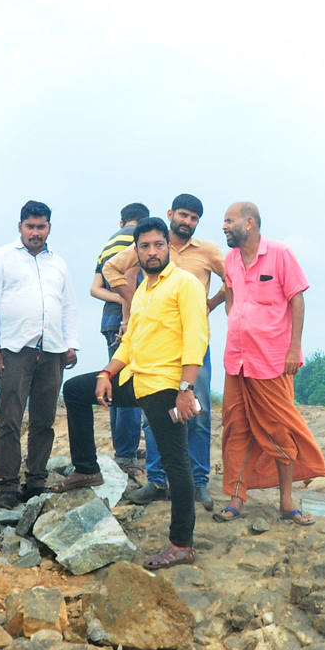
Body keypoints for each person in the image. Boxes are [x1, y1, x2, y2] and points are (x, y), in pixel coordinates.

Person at [59, 218, 206, 568]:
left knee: (176, 464)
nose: (152, 252)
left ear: (168, 247)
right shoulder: (142, 290)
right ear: (136, 250)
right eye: (144, 246)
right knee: (76, 390)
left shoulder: (185, 285)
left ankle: (181, 544)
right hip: (134, 379)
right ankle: (87, 468)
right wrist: (108, 373)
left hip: (166, 386)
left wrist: (186, 389)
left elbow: (196, 339)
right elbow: (129, 342)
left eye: (158, 245)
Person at [104, 193, 226, 508]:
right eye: (183, 215)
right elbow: (111, 269)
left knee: (196, 413)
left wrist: (210, 304)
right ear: (171, 213)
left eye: (194, 218)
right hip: (152, 347)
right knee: (153, 414)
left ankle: (199, 482)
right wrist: (134, 300)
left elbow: (235, 278)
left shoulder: (208, 252)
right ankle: (157, 480)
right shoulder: (152, 245)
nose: (187, 222)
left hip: (192, 346)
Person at [217, 202, 325, 524]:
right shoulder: (230, 260)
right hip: (236, 360)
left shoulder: (280, 254)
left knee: (279, 429)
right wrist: (237, 321)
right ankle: (237, 499)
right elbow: (230, 295)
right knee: (236, 427)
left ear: (249, 223)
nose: (224, 226)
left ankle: (287, 502)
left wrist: (295, 349)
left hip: (272, 361)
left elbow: (297, 299)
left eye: (229, 221)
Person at [0, 201, 79, 508]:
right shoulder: (1, 258)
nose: (35, 232)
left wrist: (71, 342)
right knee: (9, 418)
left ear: (49, 227)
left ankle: (36, 481)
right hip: (12, 349)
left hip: (51, 350)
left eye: (41, 227)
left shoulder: (58, 264)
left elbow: (69, 305)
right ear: (20, 226)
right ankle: (8, 485)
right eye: (30, 226)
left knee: (44, 419)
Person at [91, 203, 150, 475]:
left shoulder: (108, 243)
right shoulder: (137, 239)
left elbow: (95, 288)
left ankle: (122, 447)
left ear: (121, 221)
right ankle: (126, 454)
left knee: (115, 382)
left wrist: (116, 297)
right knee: (130, 384)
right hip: (127, 321)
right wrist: (130, 304)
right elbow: (130, 275)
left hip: (109, 319)